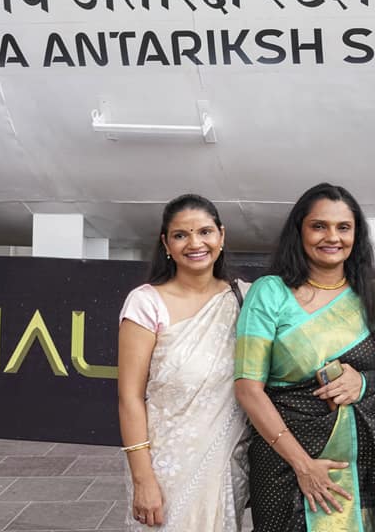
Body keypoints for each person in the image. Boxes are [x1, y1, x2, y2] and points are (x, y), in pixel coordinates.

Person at [233, 183, 375, 532]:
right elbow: (247, 389)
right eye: (319, 226)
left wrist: (363, 381)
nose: (332, 237)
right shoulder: (270, 292)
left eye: (343, 227)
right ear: (299, 230)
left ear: (356, 235)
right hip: (284, 461)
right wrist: (303, 465)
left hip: (366, 459)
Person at [117, 193, 250, 531]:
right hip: (165, 468)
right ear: (166, 243)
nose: (195, 243)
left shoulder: (244, 299)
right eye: (181, 235)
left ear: (221, 235)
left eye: (205, 232)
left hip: (225, 462)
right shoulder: (146, 303)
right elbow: (129, 397)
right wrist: (143, 478)